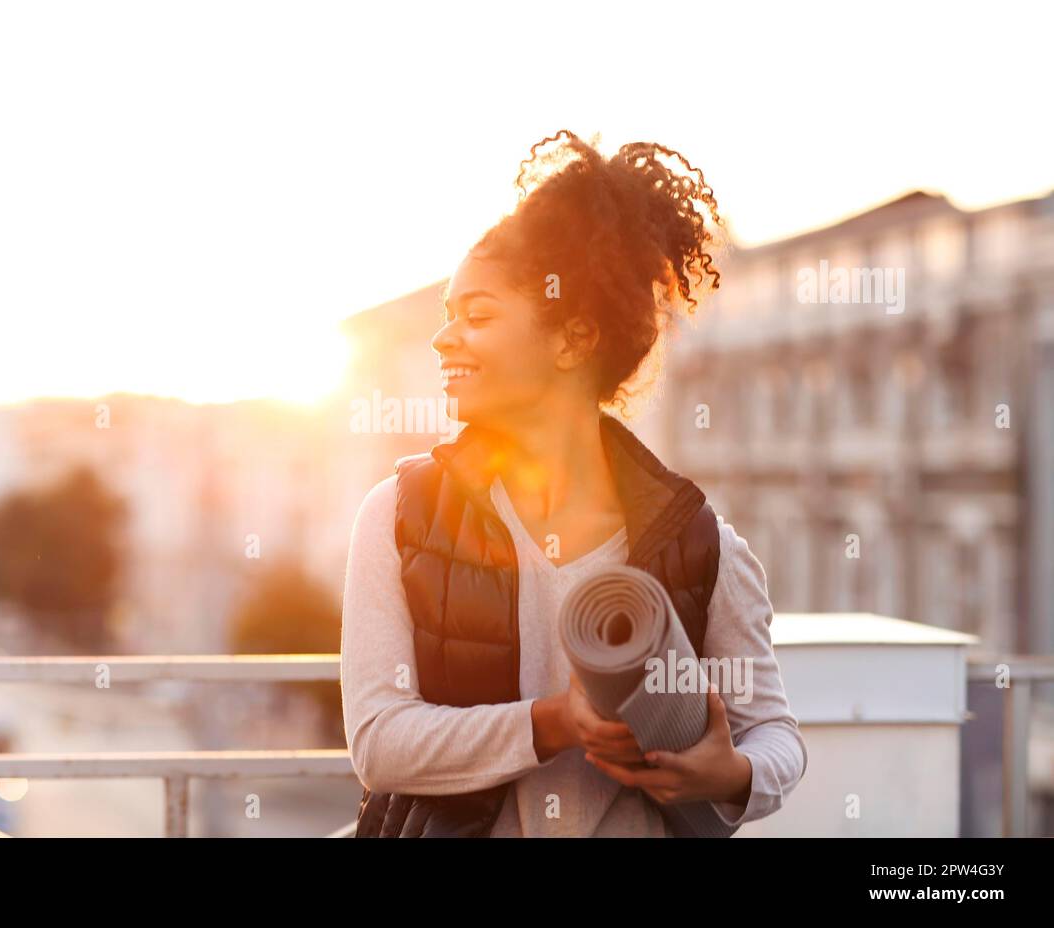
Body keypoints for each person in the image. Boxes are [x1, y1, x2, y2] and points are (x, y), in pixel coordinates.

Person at [340, 130, 807, 837]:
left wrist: (730, 773)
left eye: (478, 315)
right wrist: (553, 723)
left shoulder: (702, 544)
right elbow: (378, 743)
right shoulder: (400, 518)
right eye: (446, 316)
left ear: (573, 339)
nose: (443, 340)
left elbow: (774, 734)